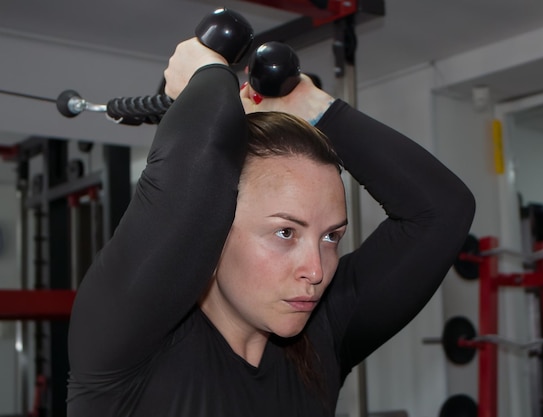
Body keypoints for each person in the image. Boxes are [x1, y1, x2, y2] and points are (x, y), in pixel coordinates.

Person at [66, 38, 475, 416]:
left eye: (331, 237)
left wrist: (314, 108)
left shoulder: (320, 337)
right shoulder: (129, 340)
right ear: (212, 227)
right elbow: (200, 159)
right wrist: (207, 74)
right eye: (286, 233)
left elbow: (442, 211)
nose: (316, 271)